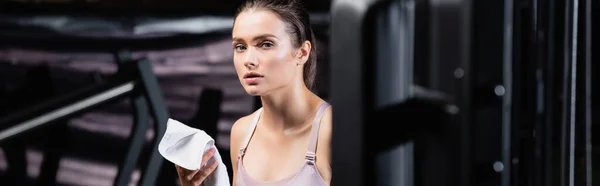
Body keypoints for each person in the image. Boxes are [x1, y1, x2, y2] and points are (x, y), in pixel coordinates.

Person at [175, 0, 332, 185]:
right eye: (240, 47)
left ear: (302, 52)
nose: (249, 60)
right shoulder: (241, 133)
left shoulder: (332, 130)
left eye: (266, 44)